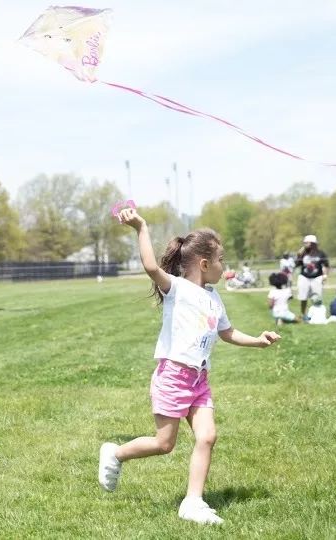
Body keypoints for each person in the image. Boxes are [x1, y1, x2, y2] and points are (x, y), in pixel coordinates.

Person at [100, 207, 281, 526]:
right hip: (172, 377)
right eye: (222, 259)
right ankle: (115, 454)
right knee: (163, 444)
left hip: (199, 380)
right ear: (204, 263)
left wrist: (258, 340)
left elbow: (227, 333)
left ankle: (193, 502)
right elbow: (150, 266)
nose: (225, 267)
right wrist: (141, 227)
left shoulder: (214, 299)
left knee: (207, 436)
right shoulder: (178, 289)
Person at [295, 234, 329, 320]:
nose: (305, 244)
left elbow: (325, 265)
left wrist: (325, 275)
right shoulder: (303, 253)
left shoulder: (320, 253)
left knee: (317, 297)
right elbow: (297, 264)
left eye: (307, 243)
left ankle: (317, 315)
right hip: (304, 277)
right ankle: (303, 314)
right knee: (303, 297)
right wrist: (298, 255)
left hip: (317, 277)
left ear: (313, 243)